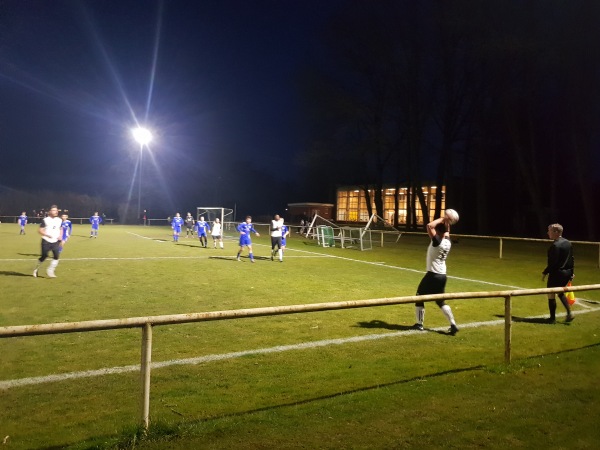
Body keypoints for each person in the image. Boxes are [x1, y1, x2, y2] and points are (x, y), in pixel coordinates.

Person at [412, 212, 459, 335]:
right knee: (440, 301)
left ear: (437, 231)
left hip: (432, 275)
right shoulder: (448, 242)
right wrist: (448, 221)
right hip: (442, 276)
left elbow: (429, 226)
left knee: (419, 297)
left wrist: (443, 218)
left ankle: (419, 324)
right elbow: (446, 231)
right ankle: (453, 324)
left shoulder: (437, 241)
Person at [542, 223, 574, 323]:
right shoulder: (568, 242)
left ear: (556, 232)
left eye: (549, 230)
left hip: (557, 273)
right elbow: (572, 259)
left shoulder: (555, 245)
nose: (548, 233)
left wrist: (545, 272)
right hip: (567, 273)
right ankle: (569, 313)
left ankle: (552, 319)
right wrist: (572, 272)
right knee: (560, 292)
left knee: (550, 293)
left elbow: (553, 263)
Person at [33, 205, 63, 278]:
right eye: (53, 210)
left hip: (55, 241)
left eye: (56, 210)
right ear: (49, 212)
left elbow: (61, 228)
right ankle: (36, 269)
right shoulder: (45, 220)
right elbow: (40, 230)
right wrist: (47, 235)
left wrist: (60, 236)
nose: (55, 211)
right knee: (44, 256)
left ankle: (50, 270)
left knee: (56, 256)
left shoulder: (59, 220)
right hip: (46, 241)